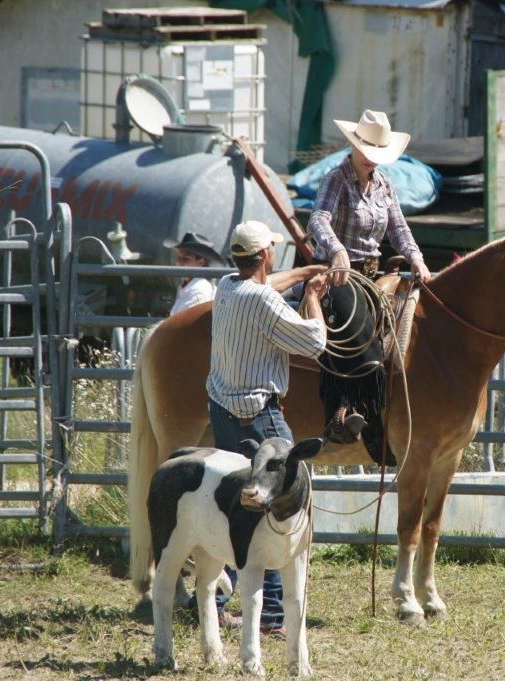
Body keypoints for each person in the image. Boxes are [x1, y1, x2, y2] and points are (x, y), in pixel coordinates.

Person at [205, 219, 328, 636]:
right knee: (282, 505)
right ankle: (274, 612)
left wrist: (304, 272)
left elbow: (264, 284)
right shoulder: (264, 302)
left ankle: (216, 597)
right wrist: (312, 296)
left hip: (223, 410)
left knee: (239, 501)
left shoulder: (225, 286)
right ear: (265, 255)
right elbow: (315, 342)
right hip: (261, 418)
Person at [306, 109, 431, 455]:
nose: (372, 161)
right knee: (354, 324)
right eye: (368, 152)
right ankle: (345, 410)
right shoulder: (336, 178)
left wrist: (416, 258)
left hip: (374, 273)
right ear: (355, 146)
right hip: (338, 273)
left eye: (378, 154)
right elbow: (317, 219)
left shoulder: (384, 184)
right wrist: (335, 250)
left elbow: (398, 228)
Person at [163, 232, 226, 316]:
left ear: (201, 262)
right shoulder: (190, 285)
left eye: (185, 258)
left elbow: (183, 325)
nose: (178, 262)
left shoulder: (199, 290)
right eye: (179, 257)